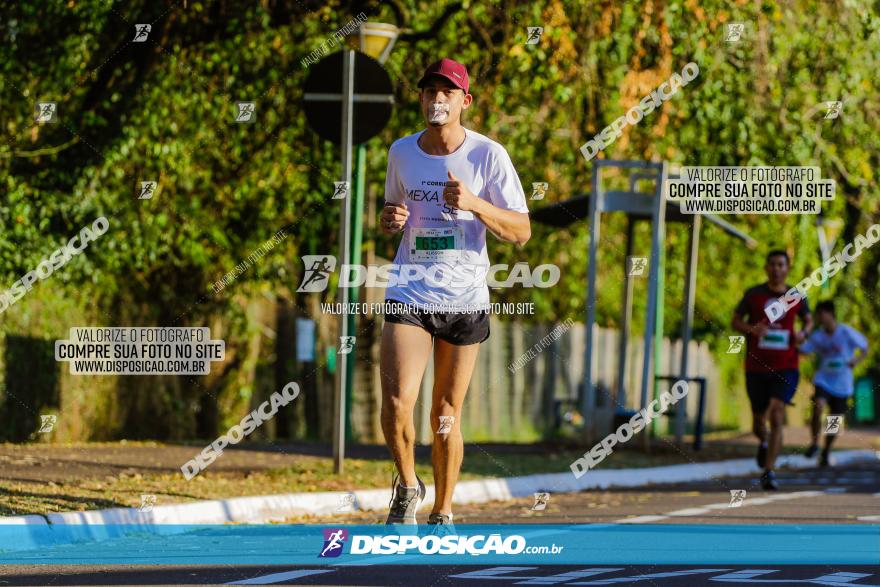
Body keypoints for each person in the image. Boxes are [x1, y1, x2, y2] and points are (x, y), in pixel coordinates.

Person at [378, 58, 531, 526]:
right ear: (421, 98)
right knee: (397, 403)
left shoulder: (488, 155)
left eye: (448, 92)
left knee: (445, 414)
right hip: (410, 290)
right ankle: (407, 485)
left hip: (465, 300)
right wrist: (391, 219)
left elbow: (521, 230)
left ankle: (443, 510)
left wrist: (474, 203)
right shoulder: (402, 152)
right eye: (429, 91)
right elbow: (391, 210)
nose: (437, 98)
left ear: (465, 101)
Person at [732, 250, 813, 490]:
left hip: (786, 364)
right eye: (773, 265)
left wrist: (803, 334)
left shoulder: (795, 295)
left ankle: (769, 471)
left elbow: (808, 320)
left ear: (788, 269)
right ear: (766, 268)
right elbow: (735, 320)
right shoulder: (754, 294)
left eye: (781, 265)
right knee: (758, 422)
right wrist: (751, 329)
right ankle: (764, 441)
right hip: (756, 365)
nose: (777, 269)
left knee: (777, 414)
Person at [799, 300, 868, 467]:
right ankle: (815, 443)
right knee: (818, 406)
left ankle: (826, 450)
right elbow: (803, 351)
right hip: (824, 379)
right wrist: (799, 337)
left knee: (834, 421)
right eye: (818, 315)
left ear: (830, 314)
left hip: (843, 383)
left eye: (821, 314)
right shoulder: (818, 336)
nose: (819, 318)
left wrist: (855, 361)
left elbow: (865, 347)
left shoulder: (845, 332)